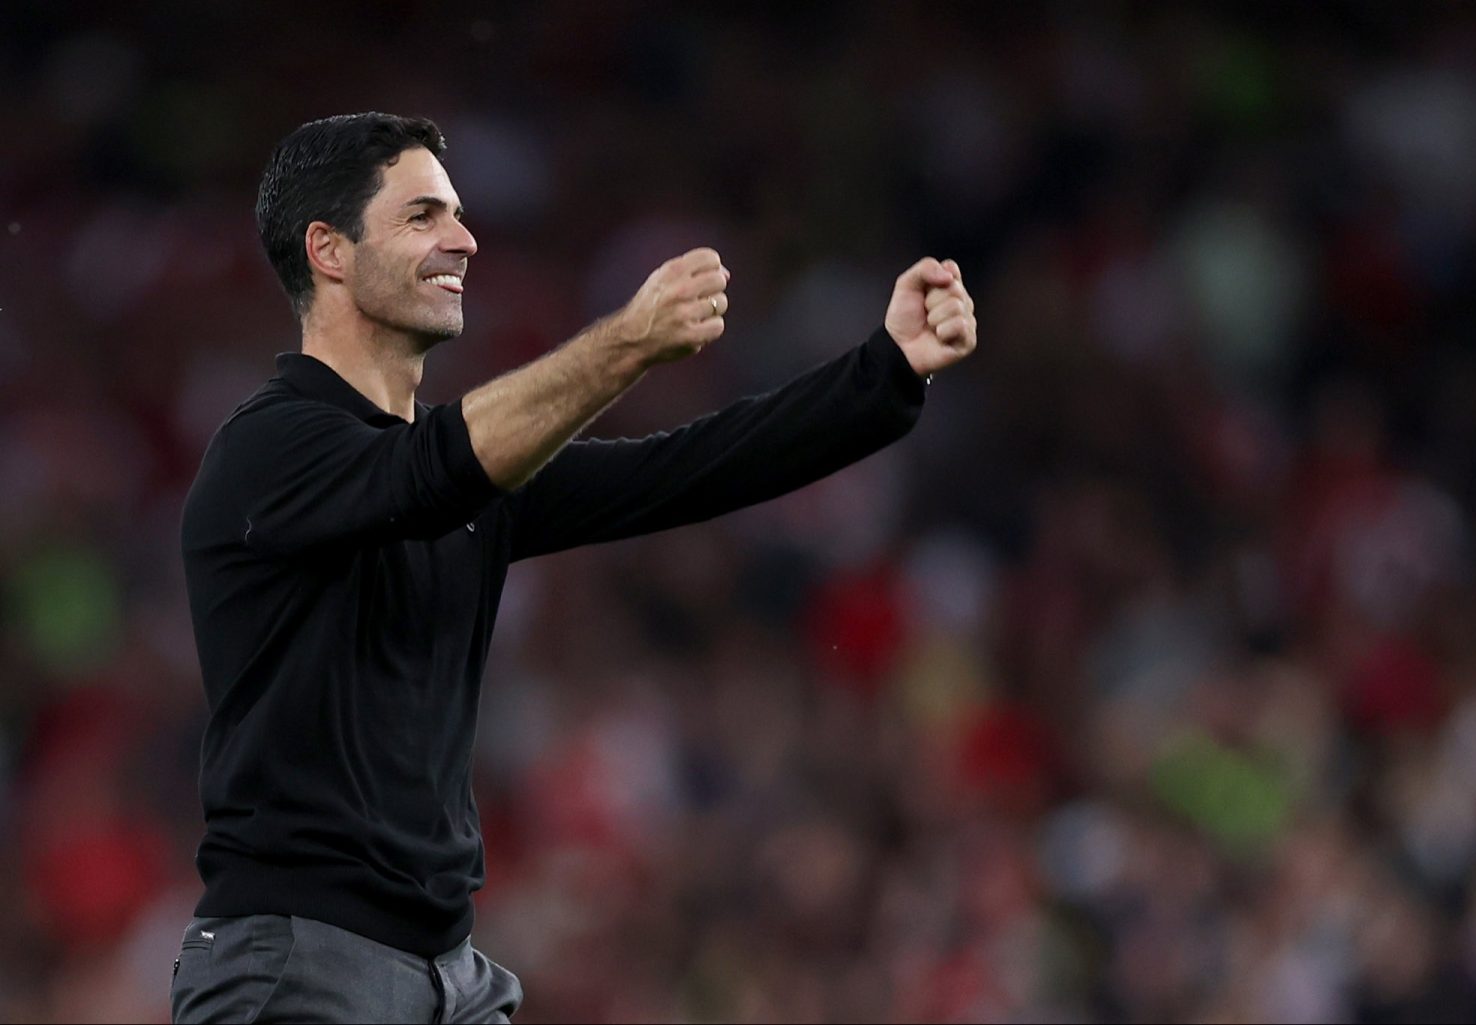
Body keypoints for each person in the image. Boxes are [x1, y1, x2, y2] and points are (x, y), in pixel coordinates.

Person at [173, 111, 978, 1023]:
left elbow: (685, 470)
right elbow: (430, 472)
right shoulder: (268, 450)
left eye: (458, 214)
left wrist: (887, 372)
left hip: (447, 976)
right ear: (328, 249)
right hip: (299, 965)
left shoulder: (457, 481)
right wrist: (627, 341)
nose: (463, 240)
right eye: (423, 215)